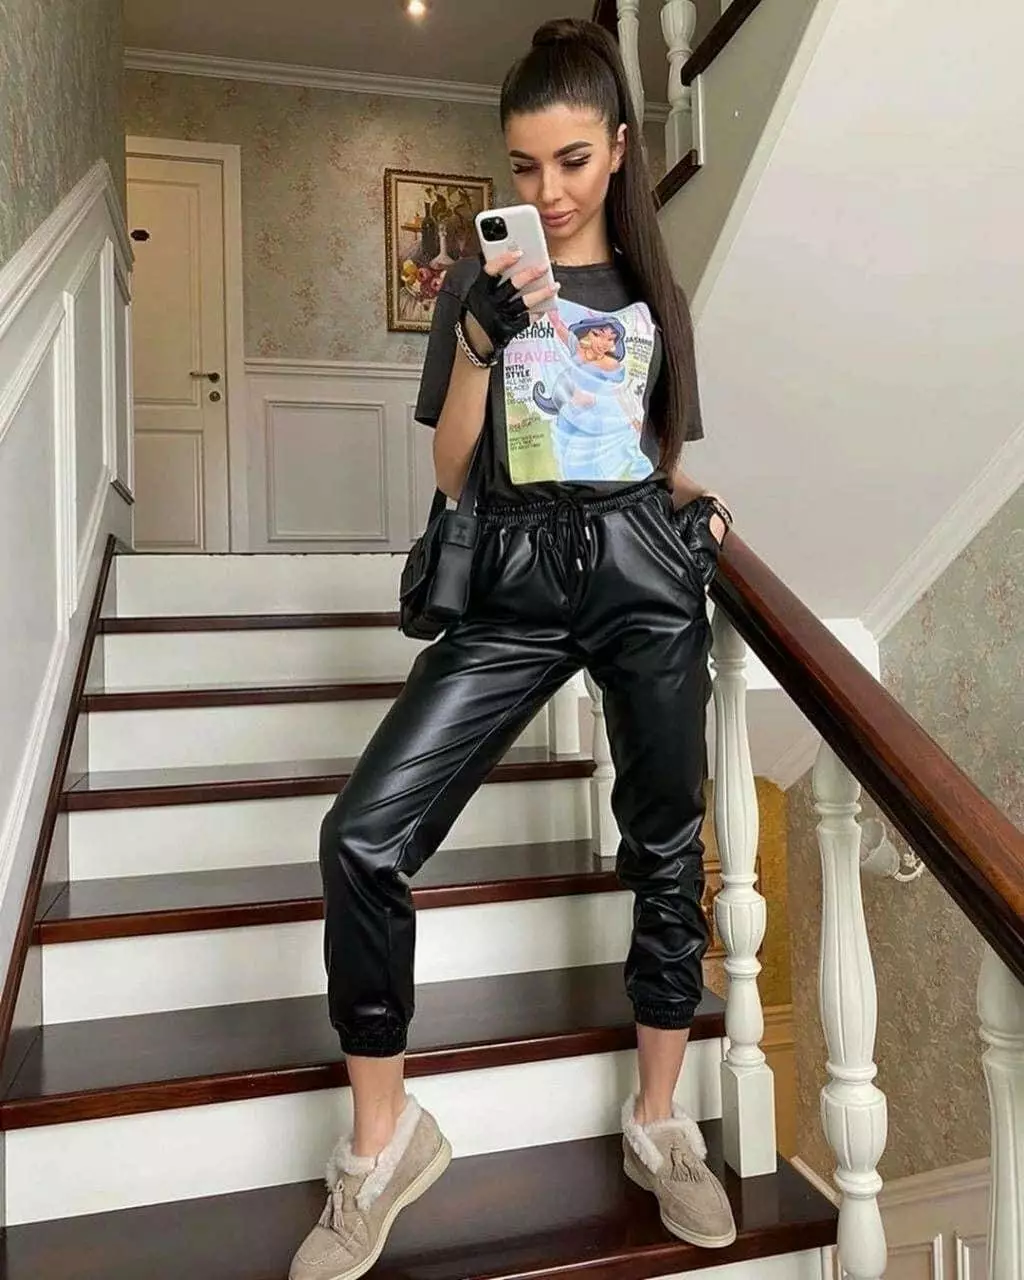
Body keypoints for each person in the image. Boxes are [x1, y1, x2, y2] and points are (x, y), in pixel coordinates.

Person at [291, 18, 736, 1280]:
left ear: (620, 149)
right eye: (526, 165)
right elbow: (450, 471)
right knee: (362, 834)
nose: (548, 191)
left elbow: (648, 445)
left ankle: (660, 1119)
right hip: (514, 577)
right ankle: (384, 1140)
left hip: (641, 567)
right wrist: (482, 344)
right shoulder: (476, 292)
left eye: (573, 161)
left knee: (667, 845)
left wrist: (694, 499)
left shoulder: (654, 295)